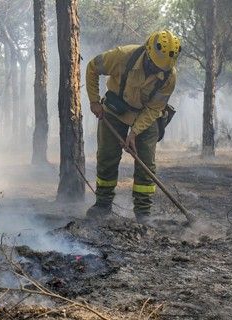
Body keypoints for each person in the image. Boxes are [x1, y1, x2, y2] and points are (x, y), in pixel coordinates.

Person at [85, 30, 180, 224]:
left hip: (146, 115)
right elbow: (93, 67)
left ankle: (143, 212)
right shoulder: (122, 56)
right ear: (147, 52)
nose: (156, 71)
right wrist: (94, 101)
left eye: (160, 68)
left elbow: (155, 108)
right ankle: (103, 204)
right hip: (114, 111)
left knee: (146, 163)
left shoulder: (169, 76)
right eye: (154, 65)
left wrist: (134, 132)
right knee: (107, 157)